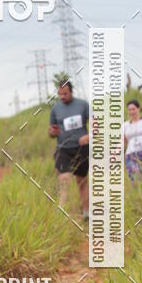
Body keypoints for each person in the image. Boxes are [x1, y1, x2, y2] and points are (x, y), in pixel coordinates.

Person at [48, 80, 90, 219]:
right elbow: (51, 131)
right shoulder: (55, 109)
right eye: (60, 94)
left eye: (65, 93)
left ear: (71, 91)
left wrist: (89, 136)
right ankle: (61, 214)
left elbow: (96, 124)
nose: (62, 96)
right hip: (63, 149)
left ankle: (86, 213)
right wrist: (52, 132)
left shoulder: (83, 105)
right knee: (64, 179)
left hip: (81, 149)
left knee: (81, 182)